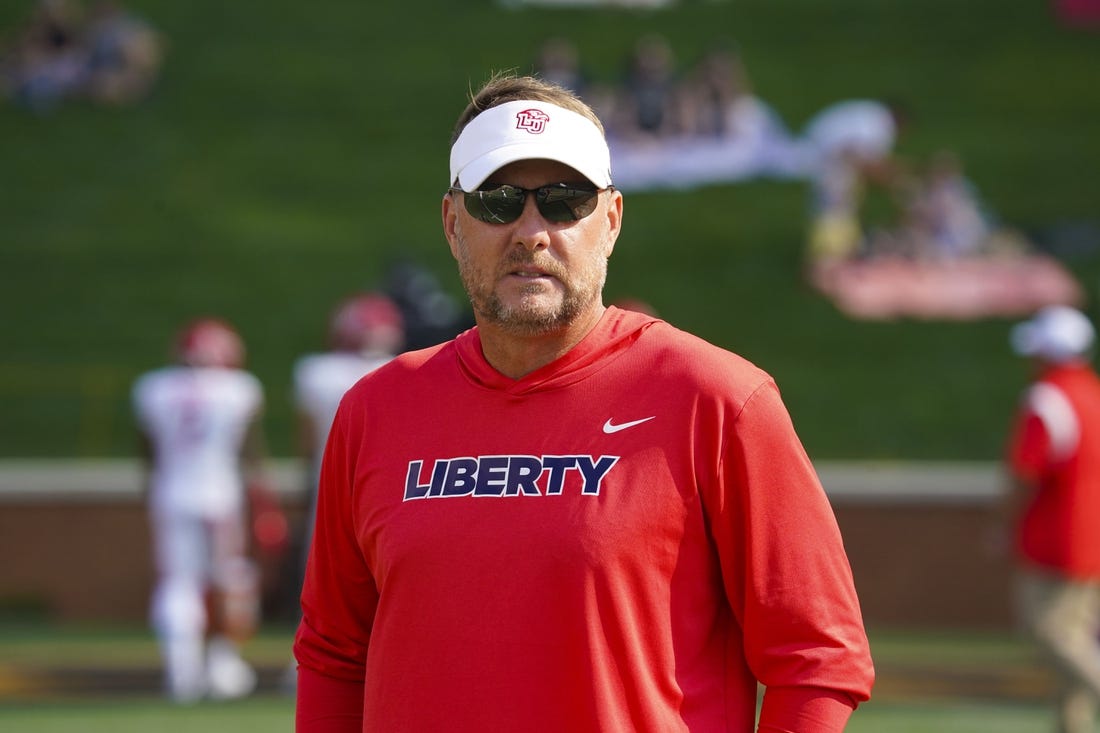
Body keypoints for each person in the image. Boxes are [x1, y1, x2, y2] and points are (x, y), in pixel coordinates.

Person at [294, 72, 874, 732]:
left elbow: (818, 659)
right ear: (453, 223)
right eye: (499, 200)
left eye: (565, 201)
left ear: (612, 220)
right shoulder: (375, 409)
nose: (531, 230)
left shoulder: (717, 398)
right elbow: (333, 655)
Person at [133, 318, 282, 703]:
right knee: (231, 578)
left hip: (171, 493)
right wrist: (264, 499)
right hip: (220, 495)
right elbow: (250, 452)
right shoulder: (238, 390)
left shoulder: (154, 388)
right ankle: (223, 665)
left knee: (178, 582)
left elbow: (148, 453)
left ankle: (181, 672)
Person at [1005, 305, 1100, 733]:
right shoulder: (1093, 393)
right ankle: (1072, 726)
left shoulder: (1047, 398)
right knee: (1077, 636)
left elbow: (1026, 471)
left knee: (1048, 632)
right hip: (1092, 537)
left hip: (1056, 540)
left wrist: (1005, 521)